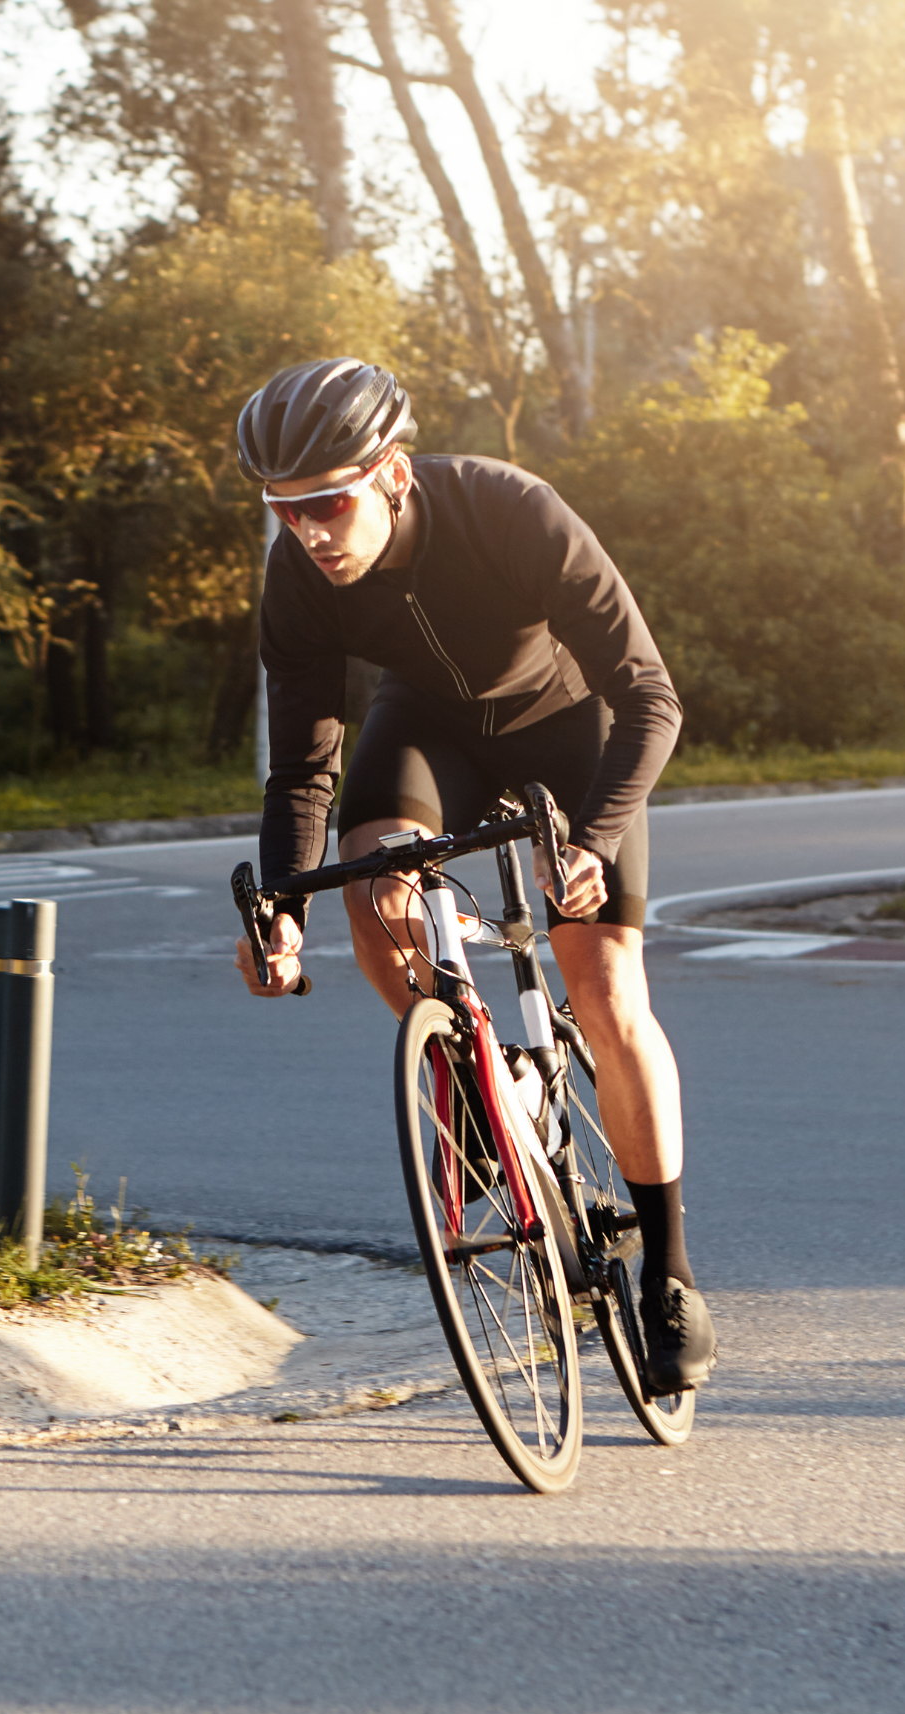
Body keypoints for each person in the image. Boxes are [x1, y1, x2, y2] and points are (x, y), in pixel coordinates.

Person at [230, 355, 716, 1394]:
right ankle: (462, 1069)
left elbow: (649, 694)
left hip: (568, 723)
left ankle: (669, 1271)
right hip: (430, 729)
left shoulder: (506, 509)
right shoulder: (297, 582)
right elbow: (304, 768)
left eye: (327, 503)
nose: (309, 531)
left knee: (604, 980)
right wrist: (280, 910)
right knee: (373, 882)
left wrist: (591, 841)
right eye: (285, 511)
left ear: (392, 472)